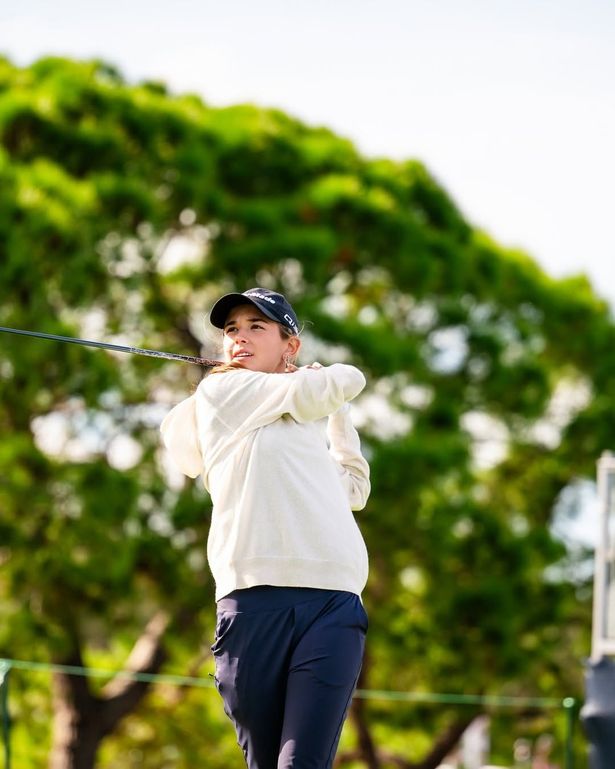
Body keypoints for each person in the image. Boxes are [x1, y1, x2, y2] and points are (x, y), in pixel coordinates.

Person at [160, 287, 370, 769]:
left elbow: (355, 486)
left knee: (301, 763)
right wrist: (321, 385)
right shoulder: (220, 392)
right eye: (232, 329)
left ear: (289, 345)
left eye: (257, 327)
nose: (240, 338)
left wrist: (335, 414)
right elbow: (349, 376)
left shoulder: (300, 423)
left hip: (332, 604)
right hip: (252, 605)